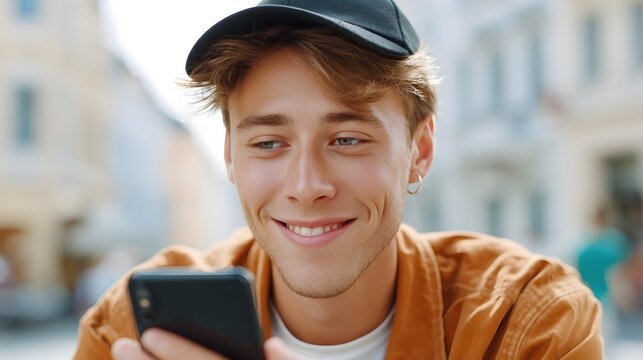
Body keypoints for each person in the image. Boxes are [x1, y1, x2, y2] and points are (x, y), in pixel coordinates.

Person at [74, 1, 603, 359]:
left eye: (348, 139)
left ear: (419, 150)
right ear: (231, 157)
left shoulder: (523, 321)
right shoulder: (131, 329)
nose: (306, 185)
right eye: (268, 143)